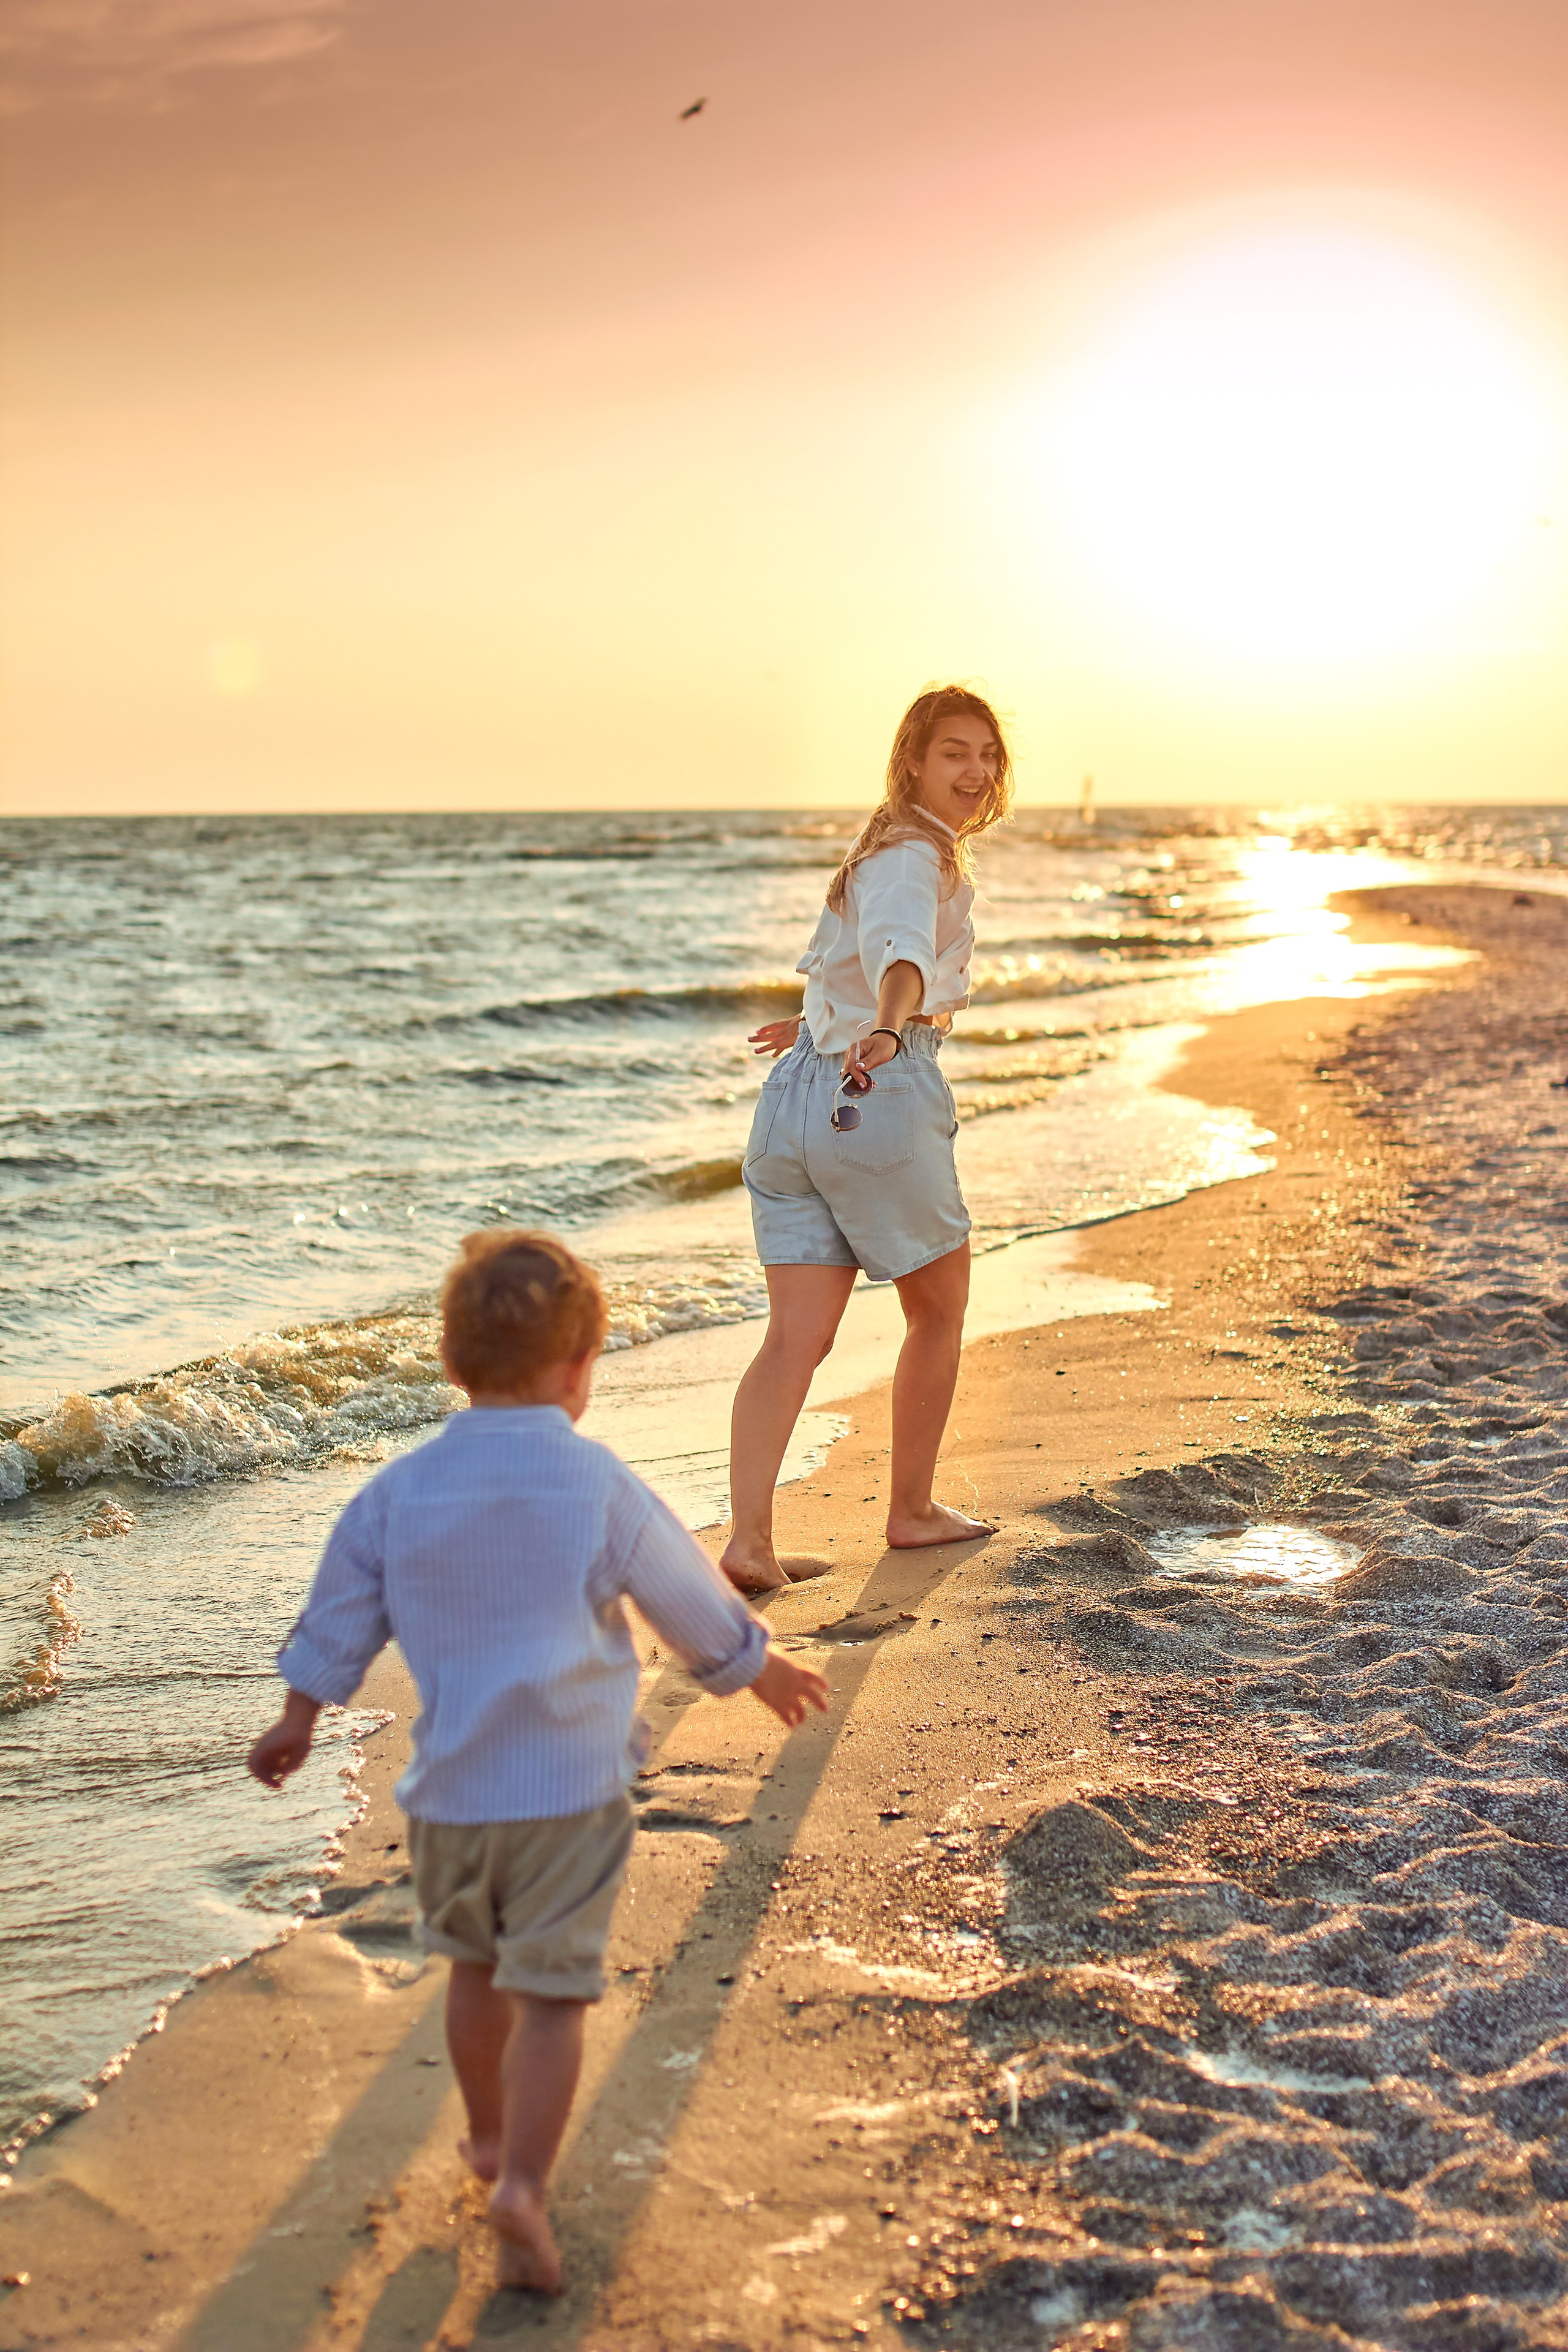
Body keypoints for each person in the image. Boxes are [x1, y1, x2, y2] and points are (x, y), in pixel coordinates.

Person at [246, 1229, 829, 2296]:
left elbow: (339, 1613)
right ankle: (522, 2182)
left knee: (474, 1973)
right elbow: (689, 1602)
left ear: (453, 1365)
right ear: (579, 1371)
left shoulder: (398, 1491)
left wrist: (297, 1717)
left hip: (451, 1799)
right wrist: (762, 1671)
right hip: (571, 1794)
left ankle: (481, 2140)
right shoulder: (596, 1482)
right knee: (553, 1996)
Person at [720, 685, 1011, 1596]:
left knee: (794, 1339)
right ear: (915, 762)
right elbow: (898, 954)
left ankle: (750, 1543)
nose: (975, 771)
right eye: (955, 753)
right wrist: (887, 1028)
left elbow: (845, 964)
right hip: (873, 1088)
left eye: (989, 754)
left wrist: (813, 1022)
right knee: (939, 1310)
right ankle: (912, 1511)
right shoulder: (913, 855)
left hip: (799, 1101)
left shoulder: (875, 848)